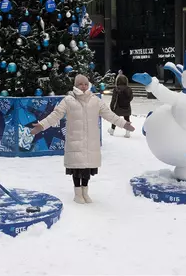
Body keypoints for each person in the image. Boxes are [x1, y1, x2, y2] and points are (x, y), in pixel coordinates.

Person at [31, 74, 135, 204]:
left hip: (90, 140)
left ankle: (85, 192)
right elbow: (56, 115)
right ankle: (77, 194)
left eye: (85, 84)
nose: (83, 86)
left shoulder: (95, 100)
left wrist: (124, 124)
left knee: (87, 168)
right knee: (77, 168)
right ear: (75, 85)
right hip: (75, 139)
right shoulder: (68, 100)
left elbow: (109, 115)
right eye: (80, 84)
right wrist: (42, 125)